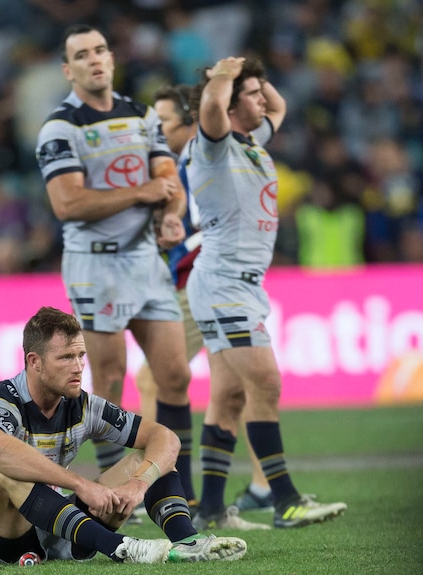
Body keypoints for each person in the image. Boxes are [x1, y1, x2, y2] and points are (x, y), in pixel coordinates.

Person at [35, 24, 196, 508]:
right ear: (69, 69)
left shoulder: (141, 116)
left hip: (146, 261)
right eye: (82, 54)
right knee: (108, 380)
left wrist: (169, 216)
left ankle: (177, 493)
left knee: (176, 376)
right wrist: (141, 193)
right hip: (96, 267)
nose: (95, 59)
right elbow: (67, 203)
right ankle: (107, 492)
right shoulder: (60, 127)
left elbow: (168, 180)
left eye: (101, 50)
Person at [184, 57, 347, 529]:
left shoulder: (251, 142)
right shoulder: (212, 146)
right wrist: (222, 76)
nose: (262, 100)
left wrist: (250, 75)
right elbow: (214, 103)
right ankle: (285, 500)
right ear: (230, 106)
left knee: (231, 396)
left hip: (241, 286)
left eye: (259, 92)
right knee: (266, 383)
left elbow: (280, 104)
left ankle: (211, 510)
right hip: (224, 285)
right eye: (251, 95)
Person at [0, 306, 247, 566]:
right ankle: (122, 548)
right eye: (66, 357)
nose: (79, 366)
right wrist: (82, 485)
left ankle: (187, 543)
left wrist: (138, 484)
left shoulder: (84, 405)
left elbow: (165, 438)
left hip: (54, 530)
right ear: (35, 362)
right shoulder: (1, 403)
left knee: (151, 459)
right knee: (5, 472)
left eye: (81, 355)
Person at [137, 84, 275, 517]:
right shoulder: (188, 160)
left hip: (198, 284)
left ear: (190, 122)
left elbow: (203, 221)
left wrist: (234, 74)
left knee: (157, 381)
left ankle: (156, 484)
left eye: (162, 123)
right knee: (234, 387)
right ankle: (261, 486)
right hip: (205, 282)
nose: (154, 131)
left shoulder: (200, 159)